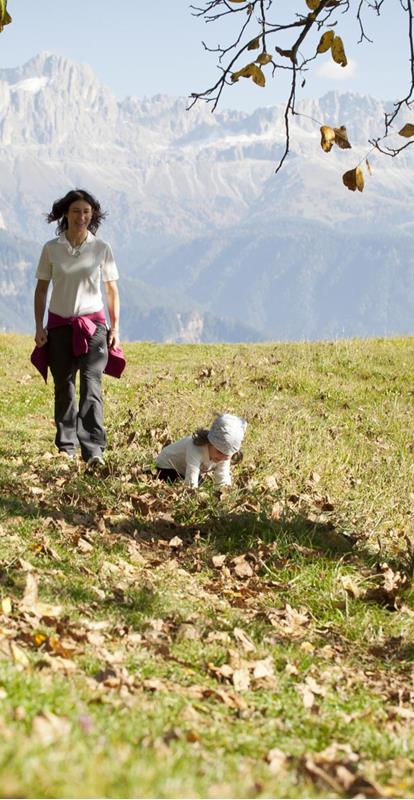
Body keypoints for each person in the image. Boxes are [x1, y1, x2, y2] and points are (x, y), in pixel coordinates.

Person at [31, 188, 124, 467]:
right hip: (59, 326)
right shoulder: (51, 248)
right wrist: (39, 326)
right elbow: (41, 290)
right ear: (65, 214)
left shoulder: (101, 248)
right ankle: (66, 446)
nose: (81, 216)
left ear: (92, 215)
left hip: (93, 327)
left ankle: (94, 449)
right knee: (65, 387)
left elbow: (111, 291)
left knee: (91, 386)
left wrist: (115, 327)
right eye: (75, 211)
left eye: (86, 211)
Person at [155, 413, 247, 488]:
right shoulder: (196, 447)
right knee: (187, 484)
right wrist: (192, 492)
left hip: (183, 469)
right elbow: (191, 476)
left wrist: (225, 494)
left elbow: (222, 477)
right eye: (219, 452)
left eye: (227, 455)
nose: (222, 458)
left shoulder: (224, 456)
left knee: (202, 485)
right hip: (166, 466)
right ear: (210, 443)